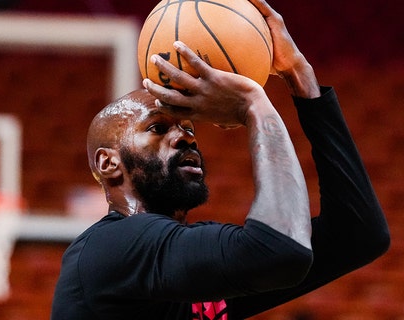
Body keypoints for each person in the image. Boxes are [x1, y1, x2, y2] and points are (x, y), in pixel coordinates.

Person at [50, 0, 390, 319]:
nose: (186, 136)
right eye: (157, 128)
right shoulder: (112, 248)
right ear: (109, 163)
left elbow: (359, 235)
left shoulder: (174, 268)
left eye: (188, 126)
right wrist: (254, 105)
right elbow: (282, 251)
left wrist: (299, 74)